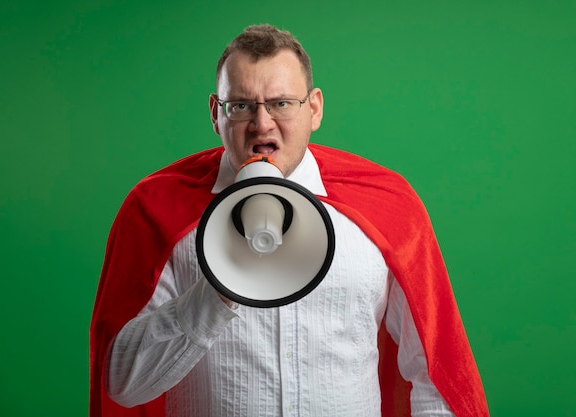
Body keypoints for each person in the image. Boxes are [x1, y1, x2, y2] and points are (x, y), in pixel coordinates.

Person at [90, 24, 489, 417]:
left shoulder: (386, 206)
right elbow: (124, 386)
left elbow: (435, 375)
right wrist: (219, 288)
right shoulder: (157, 210)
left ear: (313, 108)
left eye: (281, 103)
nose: (261, 124)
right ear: (216, 114)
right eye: (241, 105)